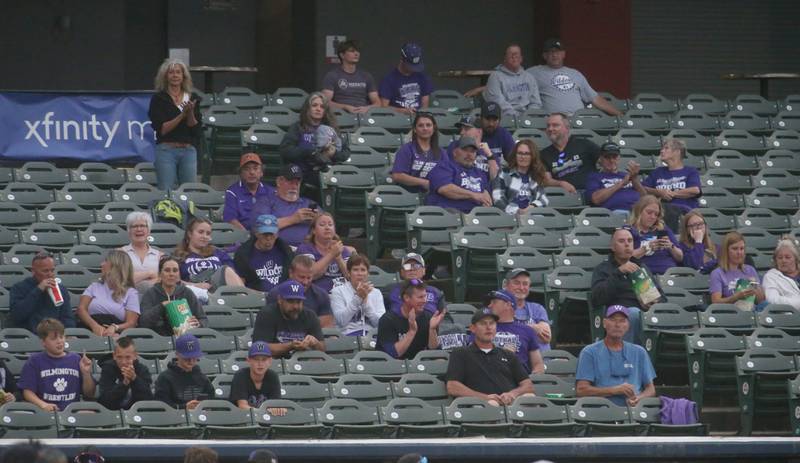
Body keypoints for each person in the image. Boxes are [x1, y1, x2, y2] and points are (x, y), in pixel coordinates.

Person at [446, 309, 535, 406]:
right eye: (483, 324)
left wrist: (512, 394)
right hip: (478, 406)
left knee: (530, 398)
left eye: (492, 323)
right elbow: (452, 386)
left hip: (510, 404)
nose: (488, 327)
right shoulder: (461, 353)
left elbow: (528, 385)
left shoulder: (508, 355)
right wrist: (485, 397)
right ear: (473, 328)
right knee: (492, 404)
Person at [575, 305, 656, 406]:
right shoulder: (589, 352)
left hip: (633, 412)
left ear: (628, 326)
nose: (617, 324)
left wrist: (638, 398)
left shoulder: (639, 352)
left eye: (622, 321)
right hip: (601, 411)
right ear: (604, 323)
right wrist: (614, 390)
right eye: (613, 320)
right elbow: (581, 390)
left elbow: (650, 389)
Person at [527, 38, 622, 116]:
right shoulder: (534, 72)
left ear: (564, 54)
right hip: (554, 122)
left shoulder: (575, 74)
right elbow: (518, 79)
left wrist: (620, 115)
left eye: (558, 51)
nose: (555, 55)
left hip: (579, 120)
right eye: (551, 52)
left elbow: (595, 99)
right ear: (544, 55)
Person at [148, 59, 201, 191]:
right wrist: (181, 115)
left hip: (188, 150)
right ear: (165, 76)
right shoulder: (159, 99)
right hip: (167, 150)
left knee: (189, 191)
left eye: (178, 72)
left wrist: (190, 114)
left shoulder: (192, 97)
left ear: (184, 76)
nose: (175, 75)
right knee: (166, 190)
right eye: (171, 72)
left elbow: (195, 129)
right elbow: (162, 129)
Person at [17, 319, 94, 411]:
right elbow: (27, 391)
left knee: (91, 414)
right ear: (43, 342)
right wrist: (43, 405)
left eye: (61, 337)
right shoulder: (35, 361)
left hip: (72, 412)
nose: (59, 341)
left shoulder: (76, 359)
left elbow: (89, 393)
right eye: (54, 339)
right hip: (45, 412)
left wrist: (86, 374)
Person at [279, 92, 349, 187]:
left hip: (326, 172)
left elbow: (345, 152)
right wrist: (310, 152)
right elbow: (286, 151)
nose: (318, 109)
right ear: (307, 108)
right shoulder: (297, 127)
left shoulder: (331, 129)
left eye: (322, 106)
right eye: (314, 105)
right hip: (303, 173)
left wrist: (334, 153)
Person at [591, 227, 647, 344]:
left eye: (630, 241)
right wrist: (619, 272)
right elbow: (596, 298)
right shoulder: (603, 269)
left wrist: (655, 302)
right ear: (613, 247)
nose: (627, 244)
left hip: (643, 312)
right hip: (618, 312)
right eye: (621, 241)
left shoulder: (641, 267)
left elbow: (661, 297)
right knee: (633, 314)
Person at [252, 280, 325, 358]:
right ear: (280, 299)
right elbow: (259, 348)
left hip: (303, 362)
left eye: (298, 301)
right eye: (290, 301)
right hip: (274, 364)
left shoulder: (310, 316)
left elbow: (322, 349)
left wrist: (315, 343)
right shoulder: (267, 314)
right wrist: (290, 346)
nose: (295, 306)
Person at [251, 163, 319, 248]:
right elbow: (259, 227)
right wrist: (293, 219)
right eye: (290, 182)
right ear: (279, 181)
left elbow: (328, 225)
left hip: (307, 252)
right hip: (276, 250)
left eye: (297, 183)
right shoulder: (266, 202)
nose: (294, 187)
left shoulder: (308, 203)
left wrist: (318, 221)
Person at [76, 250, 140, 337]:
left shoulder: (131, 293)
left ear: (116, 266)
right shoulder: (94, 286)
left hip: (116, 332)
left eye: (106, 261)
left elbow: (131, 323)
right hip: (90, 329)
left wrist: (115, 327)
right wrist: (94, 326)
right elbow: (81, 309)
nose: (101, 264)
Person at [139, 255, 207, 336]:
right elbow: (143, 322)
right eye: (167, 270)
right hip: (159, 340)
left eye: (175, 270)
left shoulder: (186, 292)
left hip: (185, 339)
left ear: (179, 274)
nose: (171, 274)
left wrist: (198, 324)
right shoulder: (151, 293)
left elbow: (204, 320)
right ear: (160, 274)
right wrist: (161, 307)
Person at [377, 279, 445, 360]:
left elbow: (434, 352)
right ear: (406, 298)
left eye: (425, 296)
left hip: (419, 366)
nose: (424, 301)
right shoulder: (388, 320)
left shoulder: (428, 317)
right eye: (420, 297)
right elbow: (392, 354)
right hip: (391, 367)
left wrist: (432, 329)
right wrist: (412, 331)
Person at [9, 251, 74, 333]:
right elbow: (17, 315)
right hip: (30, 335)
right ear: (33, 271)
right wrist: (38, 290)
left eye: (52, 270)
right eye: (45, 271)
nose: (50, 274)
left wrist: (69, 333)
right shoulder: (19, 288)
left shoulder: (61, 290)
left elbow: (67, 317)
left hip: (55, 337)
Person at [174, 217, 245, 291]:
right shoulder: (179, 256)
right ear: (190, 234)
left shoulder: (218, 253)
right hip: (194, 292)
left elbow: (232, 275)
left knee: (226, 270)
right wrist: (196, 286)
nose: (205, 236)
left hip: (220, 291)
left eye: (208, 234)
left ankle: (243, 300)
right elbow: (174, 281)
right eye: (201, 232)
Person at [425, 136, 491, 213]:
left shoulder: (479, 172)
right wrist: (474, 195)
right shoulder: (444, 167)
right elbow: (446, 189)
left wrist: (486, 201)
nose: (469, 154)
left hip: (474, 214)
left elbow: (485, 194)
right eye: (465, 150)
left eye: (472, 151)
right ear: (455, 152)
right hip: (447, 212)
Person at [486, 289, 544, 374]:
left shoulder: (527, 331)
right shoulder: (482, 328)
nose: (489, 305)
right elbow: (474, 360)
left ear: (507, 305)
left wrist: (530, 380)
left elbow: (538, 365)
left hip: (519, 381)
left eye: (494, 302)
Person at [267, 255, 334, 328]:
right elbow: (271, 323)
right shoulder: (276, 294)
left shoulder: (321, 295)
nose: (305, 282)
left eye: (309, 278)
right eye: (301, 277)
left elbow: (327, 326)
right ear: (291, 273)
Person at [296, 212, 356, 293]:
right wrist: (331, 254)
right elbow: (311, 274)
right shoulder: (306, 248)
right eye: (322, 225)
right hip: (318, 295)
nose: (327, 227)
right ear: (313, 230)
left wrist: (339, 258)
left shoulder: (342, 249)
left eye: (330, 225)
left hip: (343, 294)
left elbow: (352, 278)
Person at [540, 113, 600, 192]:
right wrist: (561, 184)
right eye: (548, 126)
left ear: (567, 128)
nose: (550, 129)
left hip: (591, 193)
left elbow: (606, 161)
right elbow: (546, 180)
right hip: (566, 198)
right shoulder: (543, 154)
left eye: (555, 125)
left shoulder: (585, 144)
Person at [233, 214, 294, 293]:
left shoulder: (286, 252)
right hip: (256, 297)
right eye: (265, 234)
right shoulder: (243, 255)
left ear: (277, 234)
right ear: (257, 233)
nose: (268, 238)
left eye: (271, 234)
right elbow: (240, 286)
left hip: (283, 297)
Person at [154, 333, 214, 410]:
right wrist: (184, 407)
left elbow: (211, 399)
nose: (191, 361)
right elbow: (162, 405)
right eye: (187, 357)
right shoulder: (165, 378)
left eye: (194, 357)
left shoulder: (202, 378)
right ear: (177, 354)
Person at [642, 138, 702, 215]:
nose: (661, 151)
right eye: (662, 148)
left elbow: (695, 190)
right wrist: (659, 192)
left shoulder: (690, 171)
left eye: (666, 148)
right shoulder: (657, 172)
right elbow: (643, 188)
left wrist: (672, 193)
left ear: (677, 152)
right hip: (661, 213)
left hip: (684, 213)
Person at [330, 255, 385, 336]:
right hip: (347, 336)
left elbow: (380, 323)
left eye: (363, 270)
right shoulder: (338, 291)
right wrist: (358, 298)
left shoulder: (376, 293)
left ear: (368, 273)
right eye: (355, 270)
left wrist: (366, 302)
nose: (360, 274)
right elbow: (341, 321)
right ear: (349, 273)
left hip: (371, 336)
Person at [628, 195, 683, 275]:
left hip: (669, 274)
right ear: (639, 211)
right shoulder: (629, 231)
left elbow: (680, 257)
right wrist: (646, 248)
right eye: (649, 212)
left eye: (656, 214)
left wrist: (671, 246)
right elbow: (624, 258)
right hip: (644, 275)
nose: (653, 217)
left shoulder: (663, 229)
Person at [390, 112, 444, 192]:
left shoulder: (442, 153)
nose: (425, 128)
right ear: (415, 129)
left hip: (433, 195)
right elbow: (397, 175)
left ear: (434, 128)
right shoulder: (406, 149)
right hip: (407, 194)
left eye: (428, 125)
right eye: (420, 125)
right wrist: (423, 182)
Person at [585, 142, 645, 214]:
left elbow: (645, 197)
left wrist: (634, 179)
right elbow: (596, 199)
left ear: (619, 158)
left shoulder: (626, 175)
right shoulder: (594, 177)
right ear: (600, 159)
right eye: (607, 157)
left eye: (614, 157)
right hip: (615, 214)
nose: (611, 161)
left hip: (638, 212)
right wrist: (621, 183)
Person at [321, 39, 380, 113]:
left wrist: (367, 108)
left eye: (357, 51)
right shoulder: (332, 76)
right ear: (342, 55)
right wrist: (345, 107)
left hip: (363, 116)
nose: (356, 53)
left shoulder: (366, 76)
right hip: (341, 115)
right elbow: (325, 102)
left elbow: (378, 103)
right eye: (352, 51)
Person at [483, 44, 541, 118]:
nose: (514, 57)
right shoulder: (495, 76)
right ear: (504, 58)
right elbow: (497, 102)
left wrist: (529, 115)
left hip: (529, 118)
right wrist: (516, 117)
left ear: (521, 59)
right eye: (511, 55)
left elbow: (536, 103)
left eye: (517, 55)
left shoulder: (529, 77)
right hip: (506, 119)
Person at [492, 139, 549, 215]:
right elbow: (498, 198)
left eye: (527, 154)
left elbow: (543, 199)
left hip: (532, 218)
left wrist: (532, 207)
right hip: (509, 218)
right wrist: (517, 211)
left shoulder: (535, 176)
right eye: (520, 153)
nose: (523, 157)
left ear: (533, 156)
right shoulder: (504, 174)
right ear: (515, 155)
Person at [709, 232, 766, 307]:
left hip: (753, 312)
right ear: (726, 251)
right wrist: (736, 297)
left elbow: (761, 300)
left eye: (742, 249)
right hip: (732, 313)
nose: (739, 252)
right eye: (735, 249)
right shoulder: (717, 273)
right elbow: (715, 302)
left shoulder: (750, 270)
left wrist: (755, 287)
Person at [97, 336, 154, 410]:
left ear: (135, 356)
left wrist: (135, 379)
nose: (123, 362)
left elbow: (148, 399)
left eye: (128, 357)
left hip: (138, 414)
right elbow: (105, 401)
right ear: (114, 356)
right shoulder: (108, 369)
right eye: (119, 357)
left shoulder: (142, 370)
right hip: (112, 413)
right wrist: (124, 384)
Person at [223, 153, 275, 231]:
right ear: (240, 173)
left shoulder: (271, 192)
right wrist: (247, 237)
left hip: (266, 235)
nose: (252, 172)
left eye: (255, 168)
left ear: (261, 172)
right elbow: (231, 220)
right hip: (242, 237)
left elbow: (277, 218)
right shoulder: (232, 192)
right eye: (247, 169)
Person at [503, 268, 551, 351]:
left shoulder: (538, 309)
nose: (521, 287)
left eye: (525, 284)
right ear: (505, 285)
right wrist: (533, 328)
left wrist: (516, 331)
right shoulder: (499, 309)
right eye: (516, 283)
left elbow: (546, 338)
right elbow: (501, 336)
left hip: (544, 360)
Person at [378, 42, 433, 115]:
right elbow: (383, 107)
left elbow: (425, 105)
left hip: (418, 118)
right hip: (397, 119)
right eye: (411, 66)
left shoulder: (422, 77)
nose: (413, 69)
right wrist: (403, 111)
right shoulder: (389, 79)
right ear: (402, 61)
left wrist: (420, 116)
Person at [229, 341, 282, 411]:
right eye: (256, 359)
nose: (260, 364)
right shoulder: (240, 375)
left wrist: (279, 410)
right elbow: (242, 406)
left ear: (270, 361)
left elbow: (275, 405)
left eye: (264, 359)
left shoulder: (273, 376)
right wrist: (263, 412)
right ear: (249, 360)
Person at [120, 212, 164, 293]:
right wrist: (149, 273)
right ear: (129, 231)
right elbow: (121, 280)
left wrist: (142, 282)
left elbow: (165, 280)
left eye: (143, 226)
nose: (139, 229)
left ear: (149, 230)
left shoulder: (160, 255)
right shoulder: (120, 253)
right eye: (134, 226)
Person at [478, 101, 515, 177]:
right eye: (488, 119)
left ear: (500, 120)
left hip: (498, 175)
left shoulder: (503, 134)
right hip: (478, 174)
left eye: (494, 120)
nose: (491, 124)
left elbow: (513, 160)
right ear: (481, 118)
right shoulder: (475, 133)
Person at [762, 238, 800, 309]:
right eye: (780, 258)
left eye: (787, 257)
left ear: (795, 259)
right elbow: (773, 300)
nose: (783, 260)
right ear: (775, 260)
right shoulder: (771, 277)